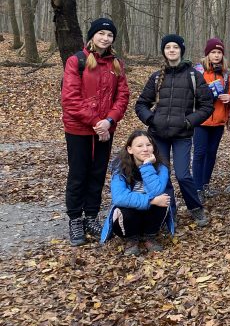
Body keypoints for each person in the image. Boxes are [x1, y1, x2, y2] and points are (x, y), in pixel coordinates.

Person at [61, 17, 130, 247]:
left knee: (98, 173)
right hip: (79, 129)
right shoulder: (76, 61)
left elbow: (122, 96)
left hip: (105, 131)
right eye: (101, 34)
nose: (105, 38)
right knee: (79, 173)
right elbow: (70, 99)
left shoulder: (116, 64)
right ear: (92, 36)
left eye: (109, 35)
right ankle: (75, 220)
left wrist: (109, 121)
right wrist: (97, 122)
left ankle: (91, 216)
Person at [135, 34, 214, 228]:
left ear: (181, 50)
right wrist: (152, 119)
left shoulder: (194, 76)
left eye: (175, 47)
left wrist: (189, 122)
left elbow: (207, 106)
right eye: (168, 47)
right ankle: (169, 211)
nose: (172, 50)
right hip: (158, 135)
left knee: (183, 174)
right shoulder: (156, 77)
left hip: (182, 135)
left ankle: (195, 207)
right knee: (163, 174)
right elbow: (141, 104)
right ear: (163, 51)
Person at [100, 130, 174, 255]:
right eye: (139, 146)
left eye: (149, 145)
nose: (145, 149)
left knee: (163, 200)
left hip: (149, 214)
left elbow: (157, 191)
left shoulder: (161, 167)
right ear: (130, 149)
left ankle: (149, 236)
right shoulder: (120, 168)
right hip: (129, 215)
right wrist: (150, 201)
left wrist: (146, 166)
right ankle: (131, 239)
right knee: (124, 208)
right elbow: (119, 197)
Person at [192, 37, 230, 203]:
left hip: (218, 121)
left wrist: (229, 98)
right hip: (201, 121)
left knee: (211, 154)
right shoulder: (198, 71)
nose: (216, 55)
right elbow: (190, 94)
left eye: (219, 53)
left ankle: (205, 184)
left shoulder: (226, 73)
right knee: (199, 153)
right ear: (207, 54)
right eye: (213, 52)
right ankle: (197, 188)